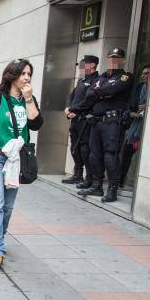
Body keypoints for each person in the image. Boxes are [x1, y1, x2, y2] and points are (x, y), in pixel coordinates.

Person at [0, 59, 44, 267]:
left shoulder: (28, 100)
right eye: (23, 74)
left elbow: (36, 124)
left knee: (8, 207)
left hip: (16, 160)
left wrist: (29, 100)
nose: (27, 78)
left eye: (29, 74)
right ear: (12, 76)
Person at [78, 48, 133, 203]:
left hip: (113, 123)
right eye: (111, 58)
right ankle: (96, 186)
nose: (114, 61)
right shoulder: (101, 77)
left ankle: (112, 189)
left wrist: (99, 91)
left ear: (122, 60)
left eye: (117, 58)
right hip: (97, 122)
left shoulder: (125, 76)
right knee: (94, 156)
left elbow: (113, 89)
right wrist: (102, 92)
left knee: (110, 156)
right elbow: (89, 94)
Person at [62, 56, 99, 186]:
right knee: (74, 147)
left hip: (85, 120)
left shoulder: (96, 80)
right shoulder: (81, 81)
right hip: (75, 119)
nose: (80, 67)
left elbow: (88, 100)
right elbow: (71, 95)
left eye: (83, 64)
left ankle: (88, 177)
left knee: (85, 149)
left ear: (92, 65)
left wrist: (73, 109)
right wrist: (68, 108)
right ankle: (77, 174)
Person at [120, 64, 149, 188]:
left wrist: (149, 106)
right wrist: (132, 114)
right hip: (134, 127)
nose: (143, 76)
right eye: (143, 73)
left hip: (147, 127)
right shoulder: (139, 88)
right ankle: (120, 181)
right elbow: (129, 108)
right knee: (126, 153)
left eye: (147, 73)